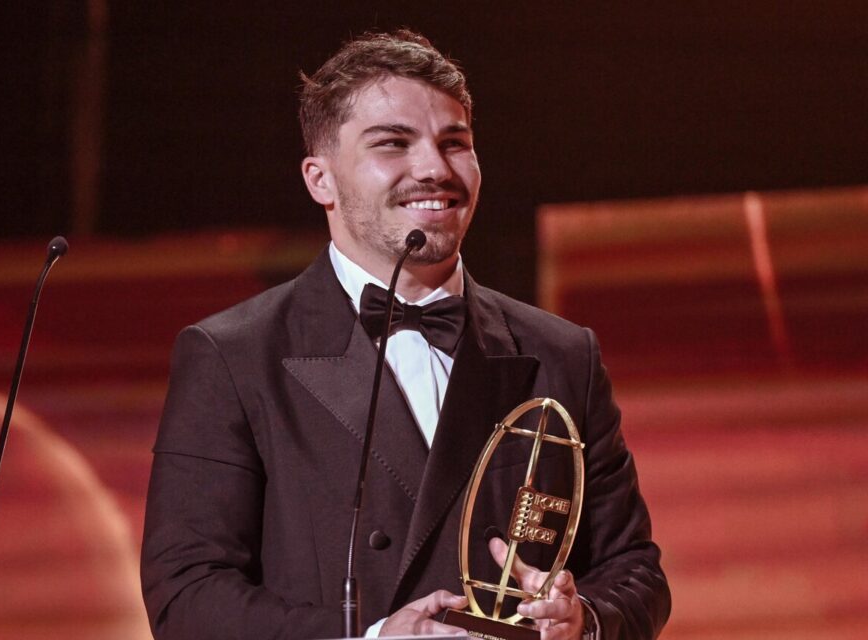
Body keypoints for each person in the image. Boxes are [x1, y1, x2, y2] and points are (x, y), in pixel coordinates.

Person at [141, 30, 670, 640]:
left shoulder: (562, 353)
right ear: (321, 180)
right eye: (394, 143)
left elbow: (635, 572)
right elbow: (187, 596)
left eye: (455, 143)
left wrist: (585, 621)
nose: (435, 169)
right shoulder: (233, 356)